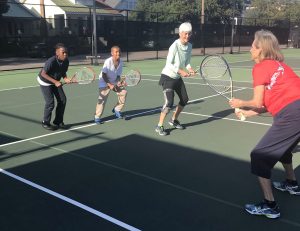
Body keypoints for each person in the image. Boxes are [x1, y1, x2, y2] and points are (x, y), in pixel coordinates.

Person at [229, 30, 300, 219]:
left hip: (292, 115)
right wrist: (246, 113)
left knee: (259, 156)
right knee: (284, 149)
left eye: (253, 45)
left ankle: (270, 205)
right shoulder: (280, 66)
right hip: (296, 111)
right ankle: (291, 184)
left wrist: (240, 103)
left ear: (261, 50)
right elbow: (266, 105)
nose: (250, 48)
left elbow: (257, 101)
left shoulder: (260, 68)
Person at [155, 22, 195, 136]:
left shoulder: (190, 46)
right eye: (185, 34)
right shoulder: (174, 46)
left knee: (185, 99)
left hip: (177, 78)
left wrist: (190, 68)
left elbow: (186, 62)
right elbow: (169, 64)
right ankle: (159, 126)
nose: (187, 36)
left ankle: (173, 119)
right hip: (167, 77)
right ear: (180, 33)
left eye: (189, 34)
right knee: (169, 103)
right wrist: (180, 71)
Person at [37, 43, 71, 130]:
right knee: (50, 103)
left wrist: (65, 78)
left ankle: (58, 121)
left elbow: (63, 71)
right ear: (57, 53)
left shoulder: (66, 61)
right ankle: (45, 122)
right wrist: (55, 82)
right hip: (45, 81)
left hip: (55, 81)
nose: (65, 54)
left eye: (66, 52)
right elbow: (43, 73)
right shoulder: (51, 61)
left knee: (62, 100)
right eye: (63, 52)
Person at [94, 46, 127, 124]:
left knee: (123, 92)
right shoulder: (108, 61)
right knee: (102, 99)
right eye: (116, 52)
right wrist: (109, 85)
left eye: (119, 51)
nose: (118, 53)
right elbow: (103, 74)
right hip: (104, 81)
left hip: (114, 81)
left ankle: (117, 109)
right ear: (112, 53)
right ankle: (97, 116)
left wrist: (121, 82)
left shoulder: (121, 62)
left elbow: (118, 76)